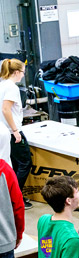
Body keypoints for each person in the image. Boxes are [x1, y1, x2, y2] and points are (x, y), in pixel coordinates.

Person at [0, 58, 32, 209]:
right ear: (17, 72)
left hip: (4, 132)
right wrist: (15, 131)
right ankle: (15, 198)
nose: (23, 76)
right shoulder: (12, 87)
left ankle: (10, 196)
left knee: (11, 165)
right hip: (11, 132)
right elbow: (6, 109)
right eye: (23, 73)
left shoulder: (2, 85)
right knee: (25, 162)